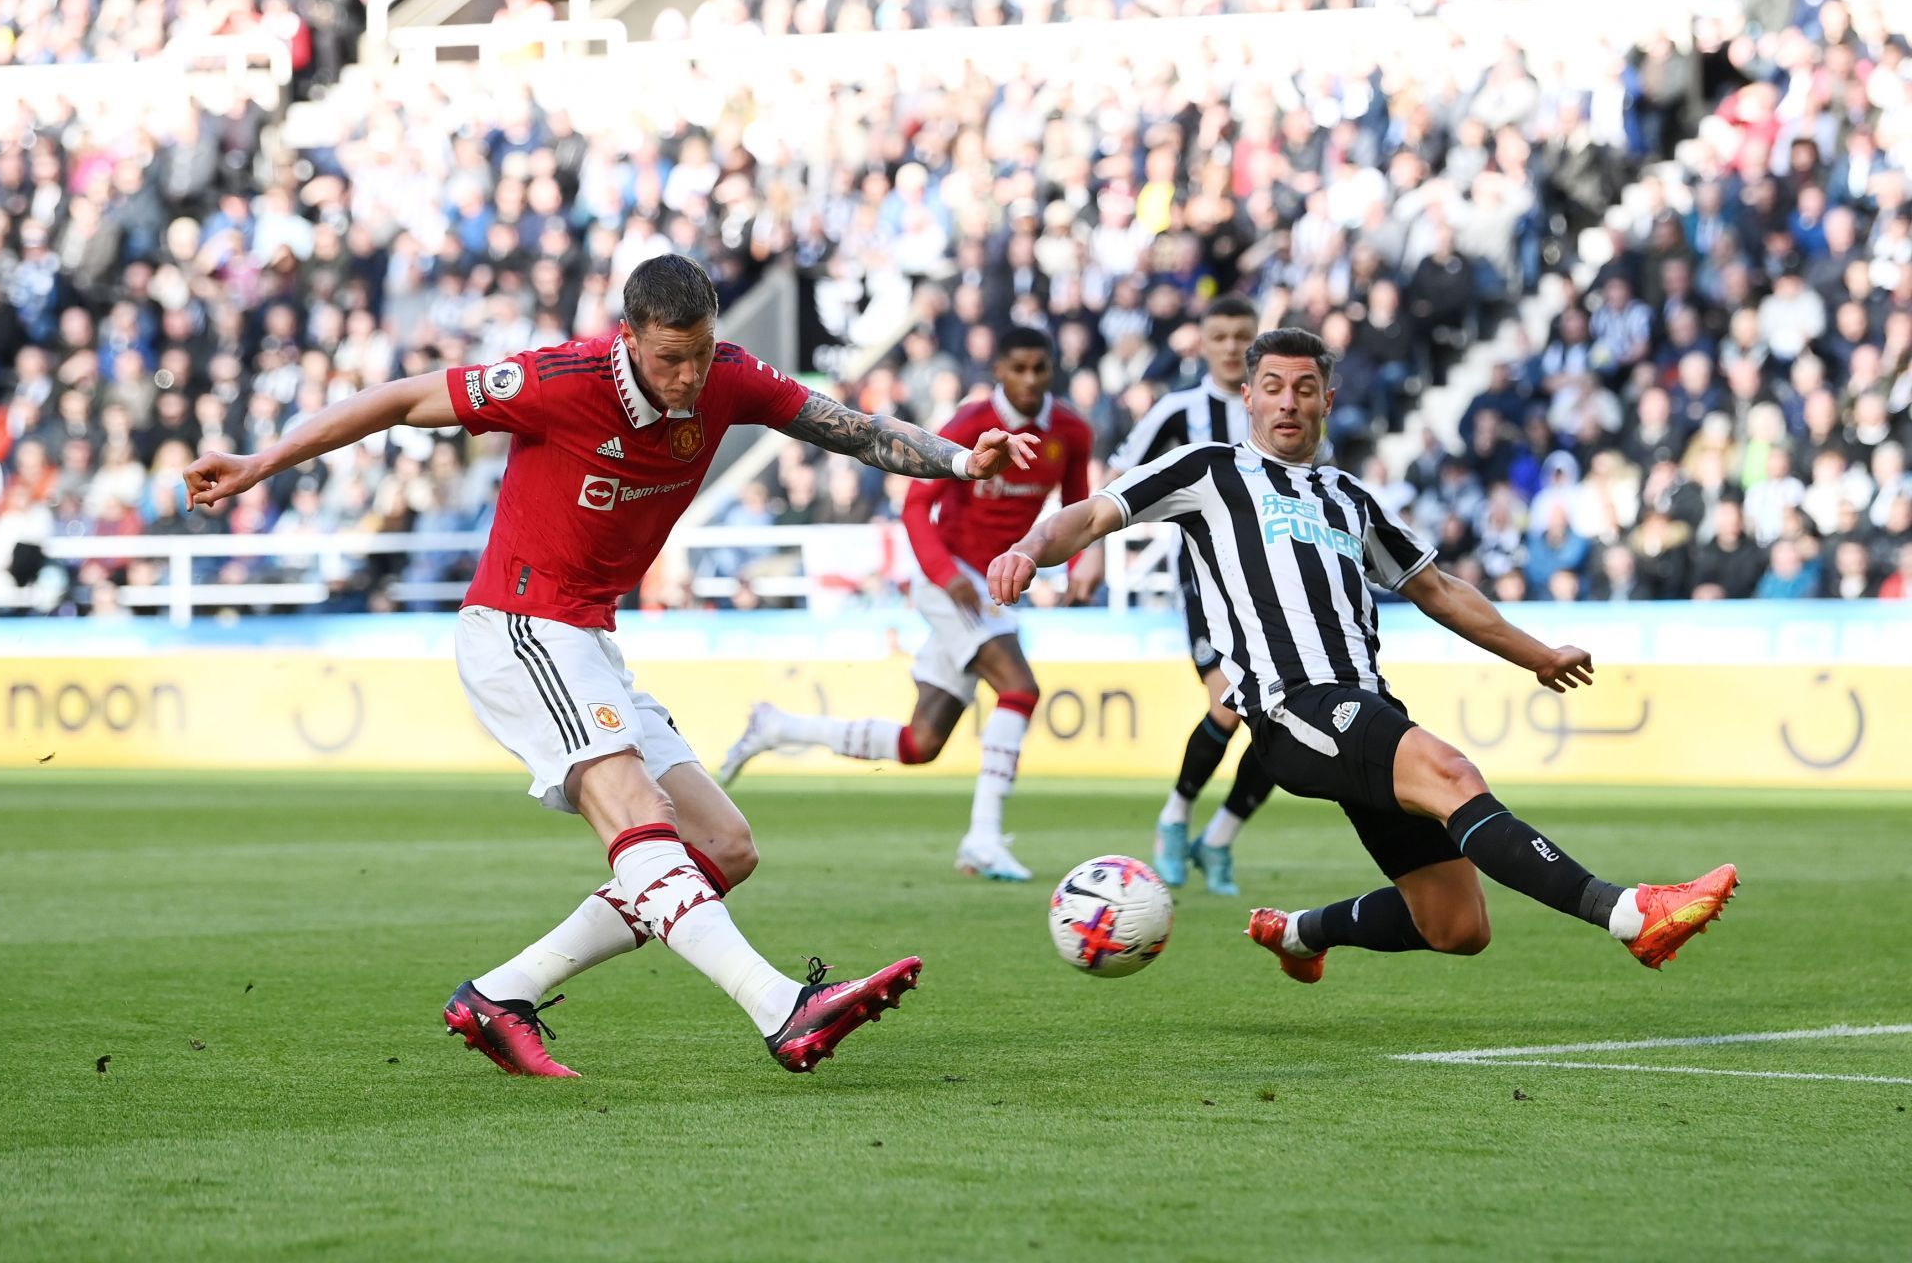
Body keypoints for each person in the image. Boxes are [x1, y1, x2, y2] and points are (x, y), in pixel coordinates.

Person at [182, 255, 1038, 1077]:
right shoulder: (559, 381)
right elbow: (406, 399)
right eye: (671, 359)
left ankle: (500, 995)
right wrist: (262, 464)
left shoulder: (726, 374)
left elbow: (845, 427)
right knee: (637, 813)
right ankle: (783, 1008)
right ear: (629, 337)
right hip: (518, 625)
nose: (690, 377)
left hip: (587, 638)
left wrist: (962, 461)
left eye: (701, 354)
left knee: (723, 845)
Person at [988, 327, 1737, 987]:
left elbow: (1440, 589)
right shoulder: (1207, 471)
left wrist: (1536, 655)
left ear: (1327, 401)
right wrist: (1026, 547)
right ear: (1247, 397)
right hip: (1293, 707)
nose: (1287, 402)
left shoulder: (1350, 499)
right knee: (1453, 774)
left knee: (1457, 924)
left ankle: (1298, 933)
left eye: (1304, 389)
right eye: (1272, 388)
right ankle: (1630, 915)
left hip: (1363, 705)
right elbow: (1090, 514)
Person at [719, 327, 1095, 881]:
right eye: (1020, 367)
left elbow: (1081, 506)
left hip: (990, 584)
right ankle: (984, 838)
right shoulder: (970, 427)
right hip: (950, 579)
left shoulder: (1070, 431)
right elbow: (917, 507)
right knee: (1020, 688)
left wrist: (1083, 562)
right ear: (1000, 371)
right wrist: (947, 576)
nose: (1031, 379)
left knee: (921, 743)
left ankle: (779, 728)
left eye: (1041, 368)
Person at [1085, 293, 1275, 896]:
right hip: (1208, 588)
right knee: (1235, 705)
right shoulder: (1178, 410)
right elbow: (1117, 478)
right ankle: (1174, 821)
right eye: (1218, 336)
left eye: (1240, 336)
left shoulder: (1277, 408)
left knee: (1280, 723)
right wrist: (1090, 548)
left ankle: (1217, 837)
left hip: (1278, 597)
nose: (1229, 347)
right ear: (1201, 340)